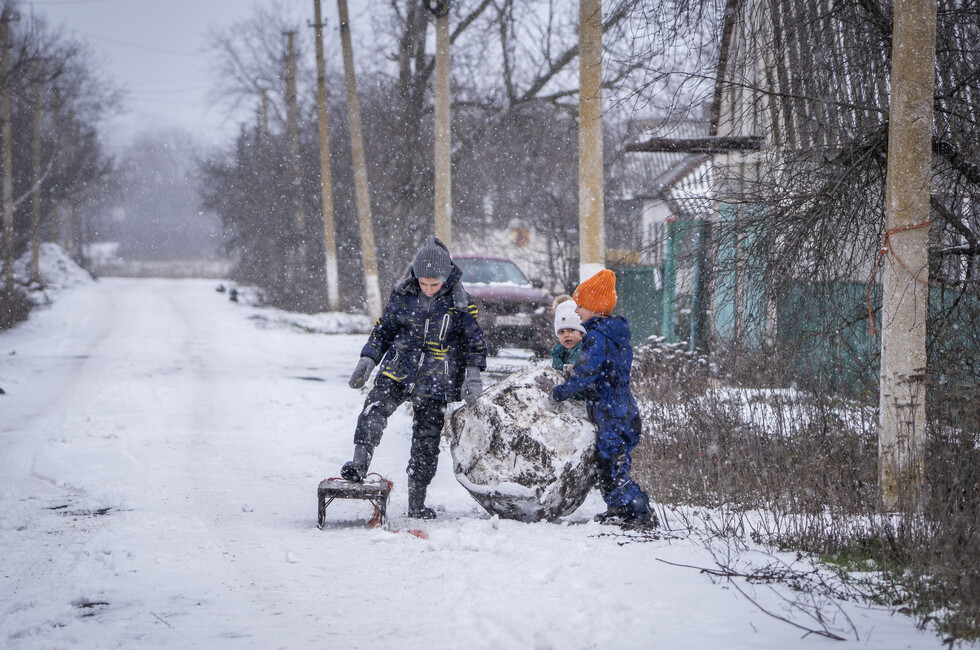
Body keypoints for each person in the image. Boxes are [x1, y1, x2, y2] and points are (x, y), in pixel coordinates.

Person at [341, 236, 487, 519]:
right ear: (415, 276)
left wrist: (472, 376)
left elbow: (474, 342)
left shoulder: (460, 303)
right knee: (373, 410)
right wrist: (367, 360)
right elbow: (383, 331)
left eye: (435, 284)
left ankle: (417, 501)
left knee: (426, 439)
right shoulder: (403, 295)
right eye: (424, 283)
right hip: (398, 367)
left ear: (446, 277)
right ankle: (359, 464)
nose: (429, 289)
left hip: (437, 377)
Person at [539, 269, 658, 529]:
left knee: (613, 467)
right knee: (606, 465)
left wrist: (559, 392)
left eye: (581, 305)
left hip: (613, 414)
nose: (577, 310)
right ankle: (618, 509)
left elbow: (586, 373)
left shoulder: (597, 337)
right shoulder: (612, 333)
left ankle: (639, 513)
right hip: (618, 411)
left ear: (594, 307)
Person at [550, 295, 585, 374]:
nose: (566, 335)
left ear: (581, 332)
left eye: (571, 330)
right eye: (561, 331)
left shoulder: (585, 351)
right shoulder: (558, 353)